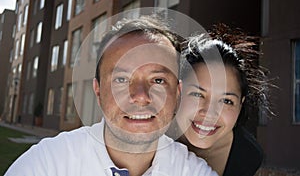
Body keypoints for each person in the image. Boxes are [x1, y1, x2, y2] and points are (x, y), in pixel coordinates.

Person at [5, 15, 218, 176]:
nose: (141, 97)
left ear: (177, 94)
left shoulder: (192, 171)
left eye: (158, 80)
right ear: (98, 91)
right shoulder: (47, 165)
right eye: (121, 80)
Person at [173, 24, 274, 176]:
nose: (209, 113)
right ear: (178, 92)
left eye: (226, 101)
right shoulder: (150, 133)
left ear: (241, 105)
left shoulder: (247, 157)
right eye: (197, 94)